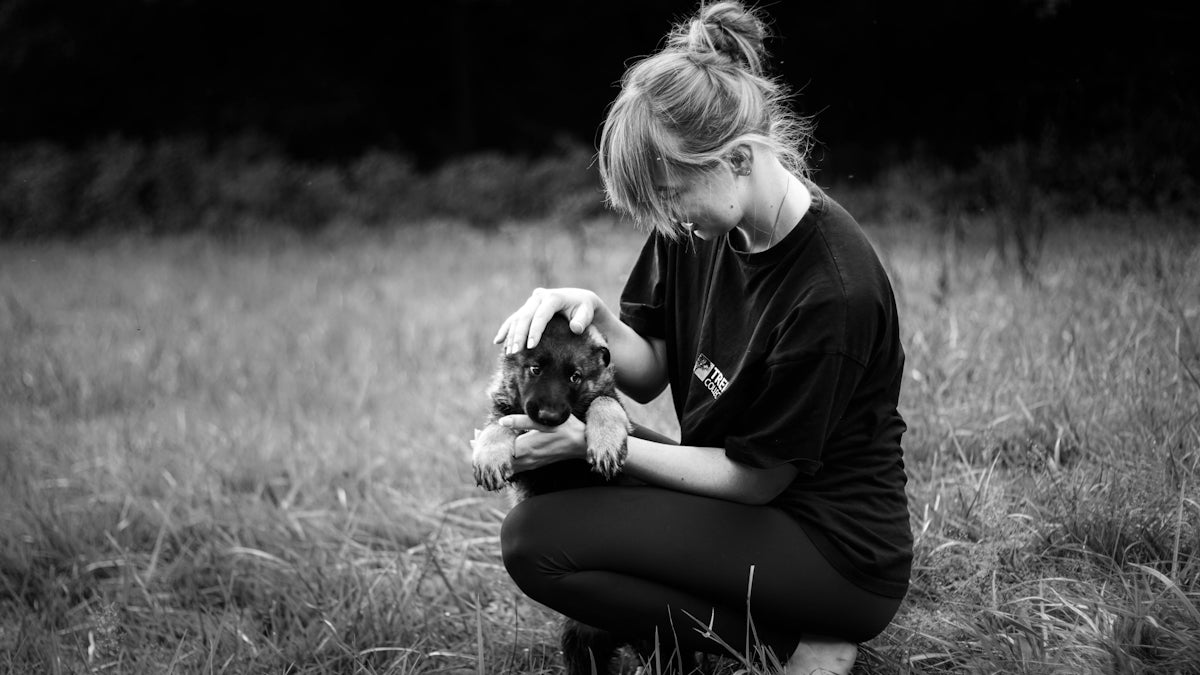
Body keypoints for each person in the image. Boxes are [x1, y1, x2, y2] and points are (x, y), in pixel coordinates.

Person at [491, 2, 911, 673]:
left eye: (670, 193)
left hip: (831, 549)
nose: (666, 216)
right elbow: (651, 369)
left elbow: (754, 481)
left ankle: (791, 639)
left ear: (738, 158)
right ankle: (725, 618)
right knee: (561, 486)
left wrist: (601, 445)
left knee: (533, 541)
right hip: (739, 502)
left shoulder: (831, 291)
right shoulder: (702, 227)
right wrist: (593, 314)